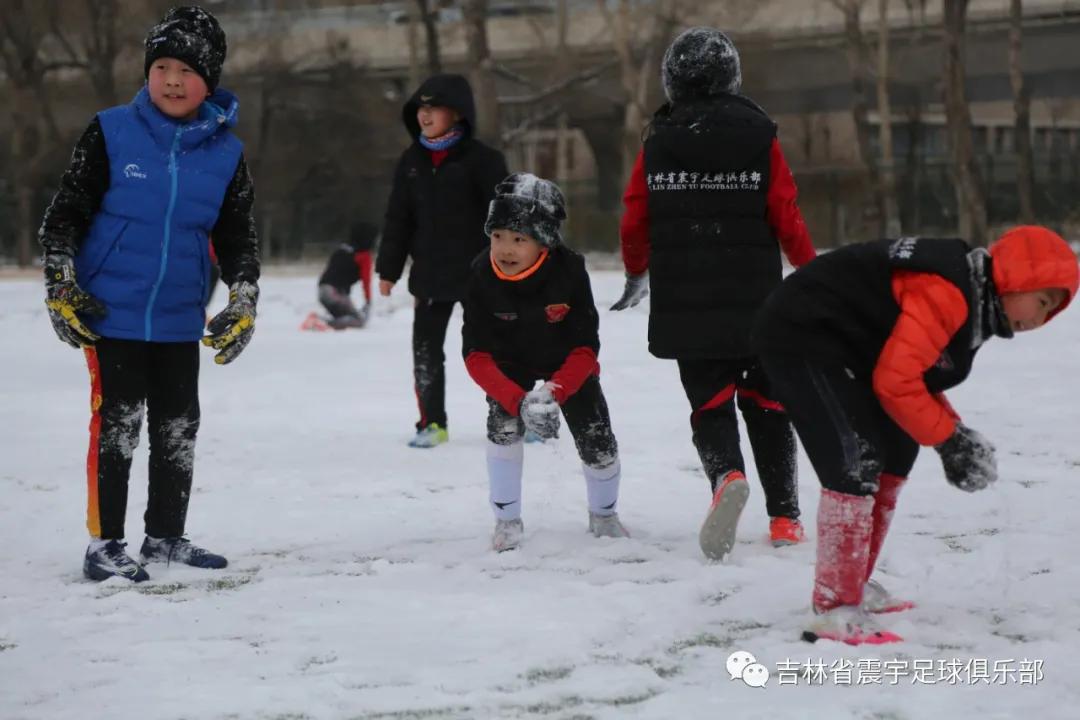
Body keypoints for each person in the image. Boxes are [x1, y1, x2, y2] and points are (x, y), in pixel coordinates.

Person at [752, 227, 1078, 644]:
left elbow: (915, 374)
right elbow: (898, 382)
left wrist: (955, 434)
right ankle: (834, 607)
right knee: (856, 458)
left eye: (1053, 312)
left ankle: (853, 586)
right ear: (1020, 275)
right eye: (1044, 300)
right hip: (802, 335)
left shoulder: (975, 298)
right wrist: (949, 440)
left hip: (849, 347)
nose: (1040, 319)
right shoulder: (949, 291)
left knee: (898, 448)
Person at [39, 6, 260, 582]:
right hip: (109, 312)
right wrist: (60, 279)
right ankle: (104, 544)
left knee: (177, 426)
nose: (171, 79)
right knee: (116, 423)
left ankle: (165, 537)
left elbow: (237, 235)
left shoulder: (226, 153)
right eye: (161, 65)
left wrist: (243, 295)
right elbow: (65, 214)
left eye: (185, 69)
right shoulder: (110, 130)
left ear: (208, 80)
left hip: (179, 315)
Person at [612, 27, 816, 560]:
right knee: (769, 406)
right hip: (757, 303)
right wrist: (810, 268)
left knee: (710, 405)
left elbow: (636, 218)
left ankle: (727, 478)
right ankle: (786, 518)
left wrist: (637, 271)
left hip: (687, 303)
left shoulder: (658, 140)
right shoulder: (758, 134)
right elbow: (785, 210)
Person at [462, 174, 629, 551]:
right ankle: (507, 520)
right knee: (502, 427)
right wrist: (517, 400)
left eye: (519, 238)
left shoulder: (569, 271)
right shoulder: (479, 274)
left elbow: (586, 347)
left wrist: (558, 389)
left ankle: (604, 514)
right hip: (509, 363)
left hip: (565, 363)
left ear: (544, 241)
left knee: (597, 437)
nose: (505, 248)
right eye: (498, 236)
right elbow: (476, 355)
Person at [376, 74, 509, 448]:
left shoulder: (484, 160)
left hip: (480, 275)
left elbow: (507, 217)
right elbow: (398, 219)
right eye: (421, 107)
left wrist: (510, 264)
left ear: (458, 113)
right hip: (430, 276)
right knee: (425, 353)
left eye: (434, 108)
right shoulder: (411, 162)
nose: (425, 115)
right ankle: (432, 423)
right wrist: (388, 269)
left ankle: (510, 414)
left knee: (493, 350)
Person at [314, 220, 376, 330]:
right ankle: (321, 322)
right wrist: (368, 301)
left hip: (322, 290)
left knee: (344, 317)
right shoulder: (364, 256)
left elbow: (334, 271)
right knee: (358, 321)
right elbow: (366, 281)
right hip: (334, 293)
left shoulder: (341, 249)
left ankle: (324, 322)